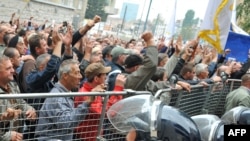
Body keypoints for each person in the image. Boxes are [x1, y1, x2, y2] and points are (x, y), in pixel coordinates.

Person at [35, 59, 91, 141]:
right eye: (76, 73)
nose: (80, 76)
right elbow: (67, 123)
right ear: (65, 76)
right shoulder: (57, 97)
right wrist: (87, 103)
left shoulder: (66, 93)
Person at [75, 62, 126, 141]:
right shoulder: (85, 94)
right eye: (104, 75)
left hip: (92, 136)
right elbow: (106, 112)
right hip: (86, 138)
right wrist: (118, 89)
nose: (106, 77)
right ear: (96, 79)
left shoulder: (94, 90)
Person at [0, 55, 36, 141]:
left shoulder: (13, 85)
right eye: (8, 68)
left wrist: (30, 110)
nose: (13, 70)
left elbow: (21, 103)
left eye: (12, 67)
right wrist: (6, 137)